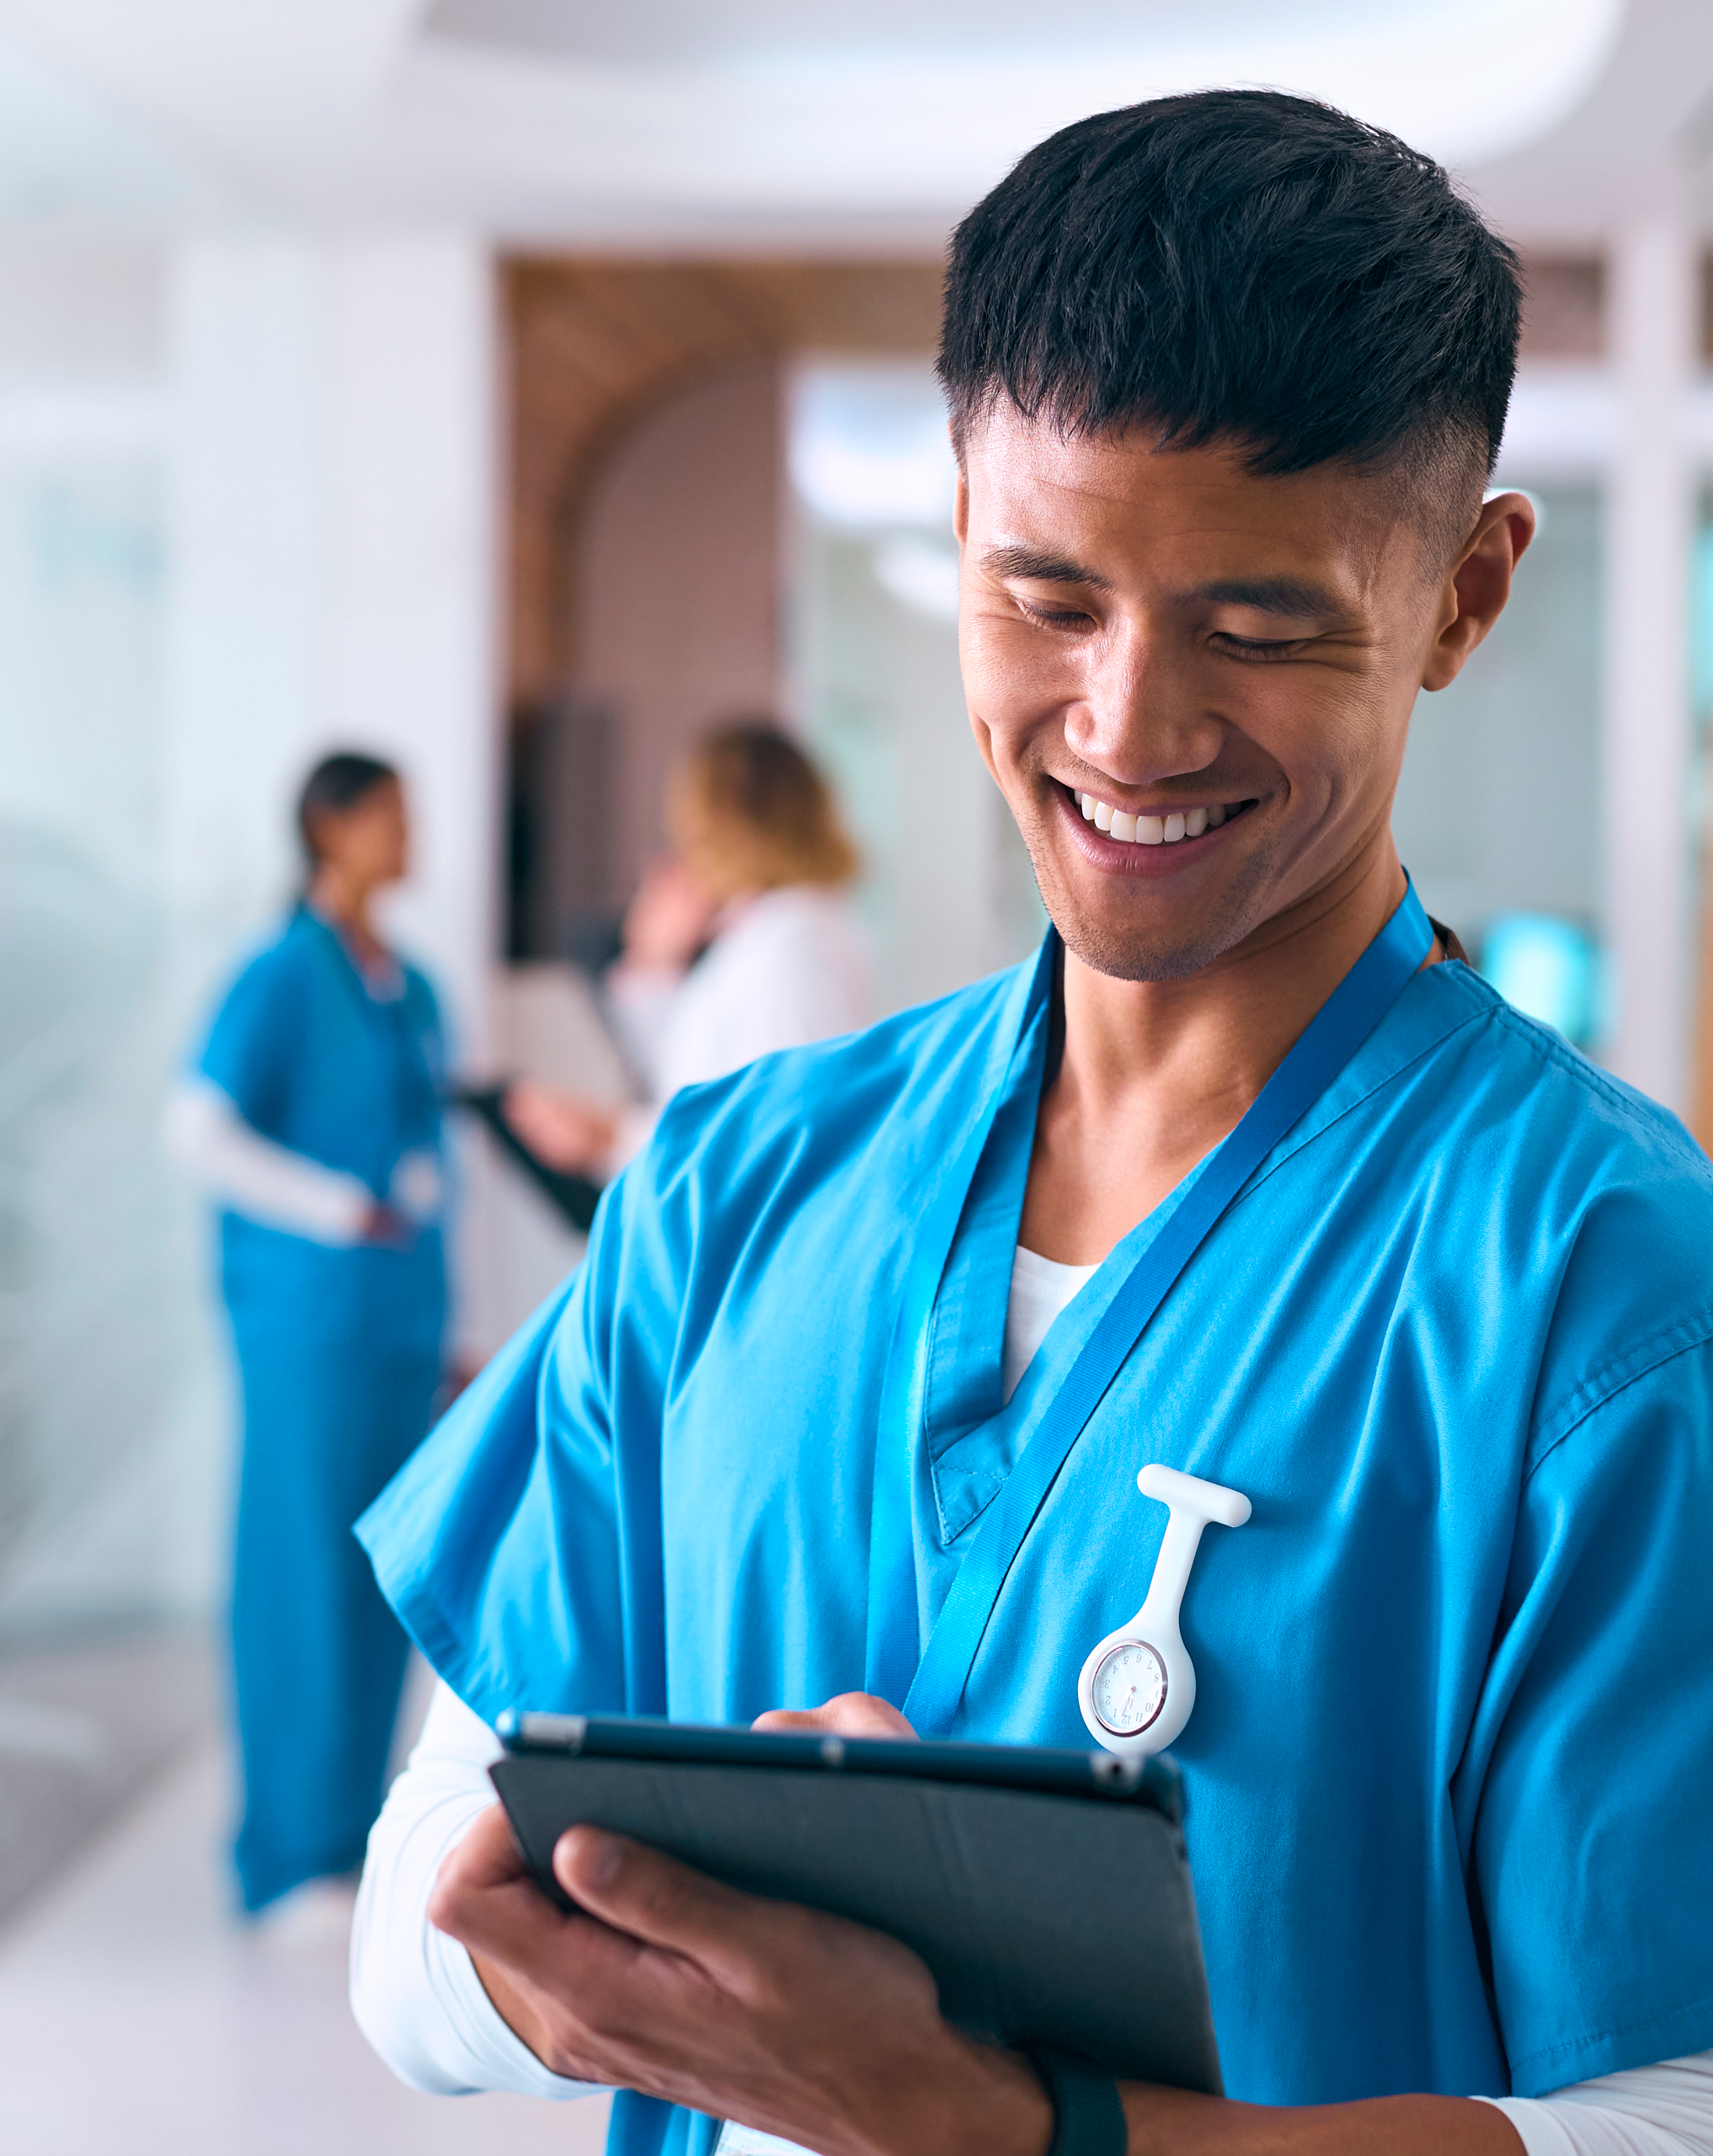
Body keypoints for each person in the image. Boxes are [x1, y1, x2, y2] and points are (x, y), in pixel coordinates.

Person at [347, 93, 1713, 2156]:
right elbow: (407, 1919)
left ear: (1461, 591)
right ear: (961, 508)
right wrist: (641, 1949)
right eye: (1043, 595)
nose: (1127, 726)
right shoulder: (729, 1191)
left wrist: (1009, 2126)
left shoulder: (1602, 1296)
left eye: (1258, 623)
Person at [164, 751, 447, 1915]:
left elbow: (430, 1154)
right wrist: (339, 1209)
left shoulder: (409, 986)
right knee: (299, 1574)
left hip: (396, 1324)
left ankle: (345, 1832)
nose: (408, 835)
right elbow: (196, 1132)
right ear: (328, 830)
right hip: (307, 1328)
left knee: (382, 1577)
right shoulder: (280, 978)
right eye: (387, 817)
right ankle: (284, 1851)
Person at [504, 721, 878, 1179]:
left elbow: (770, 1136)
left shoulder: (790, 945)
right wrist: (654, 970)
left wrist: (611, 1137)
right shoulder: (765, 934)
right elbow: (696, 1082)